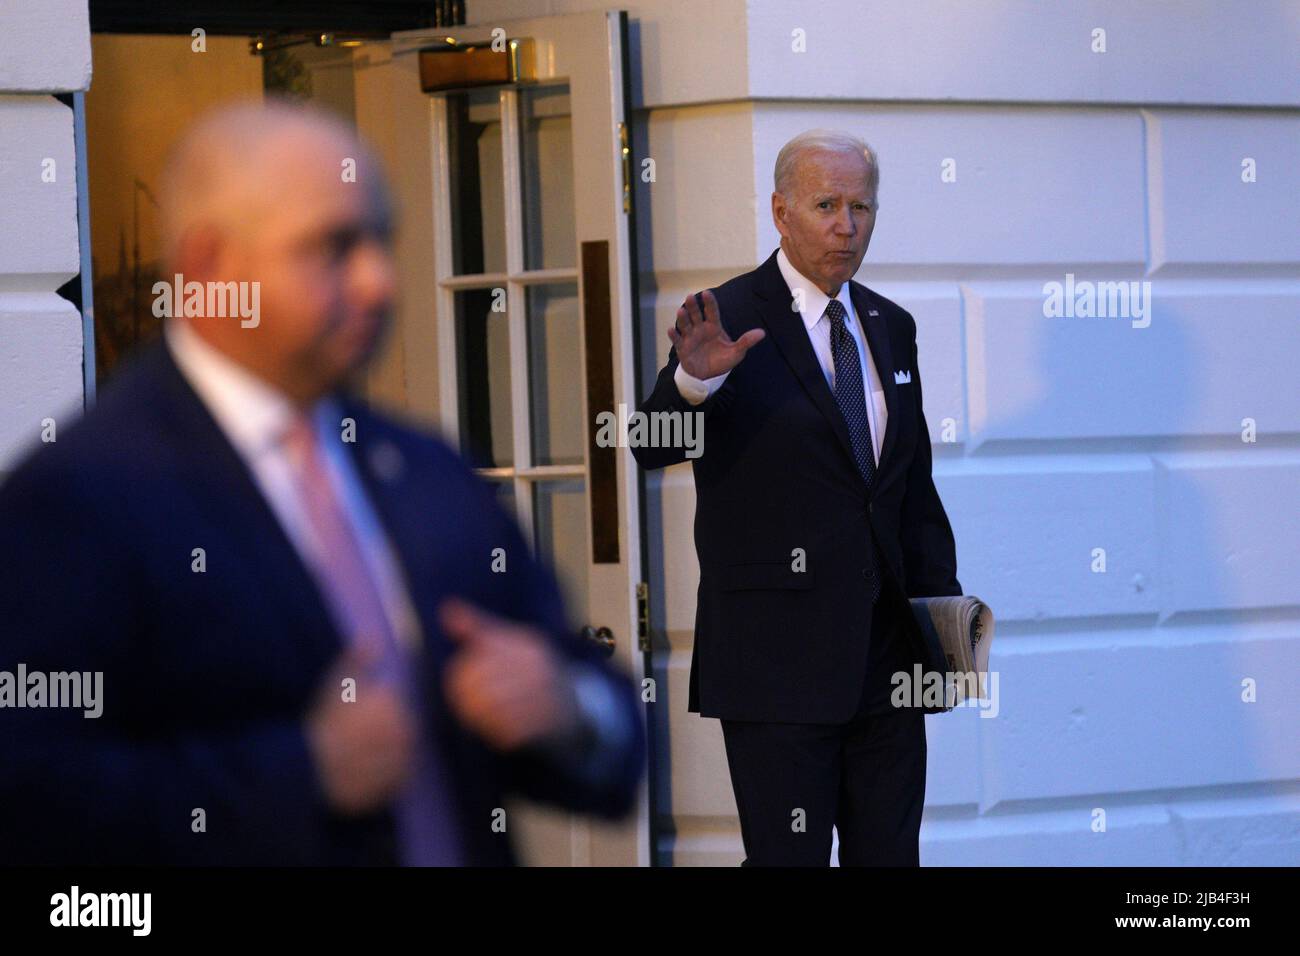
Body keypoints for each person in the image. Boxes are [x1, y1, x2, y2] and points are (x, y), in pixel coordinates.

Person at [0, 100, 642, 866]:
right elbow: (31, 799)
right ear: (208, 267)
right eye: (333, 247)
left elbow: (609, 725)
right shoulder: (81, 496)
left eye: (380, 240)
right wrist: (300, 777)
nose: (376, 282)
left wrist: (571, 712)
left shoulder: (425, 468)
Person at [631, 129, 961, 866]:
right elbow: (649, 443)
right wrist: (693, 384)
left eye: (861, 207)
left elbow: (910, 494)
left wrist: (944, 642)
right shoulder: (724, 316)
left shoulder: (888, 324)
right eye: (826, 205)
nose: (847, 227)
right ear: (781, 213)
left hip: (885, 666)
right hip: (774, 668)